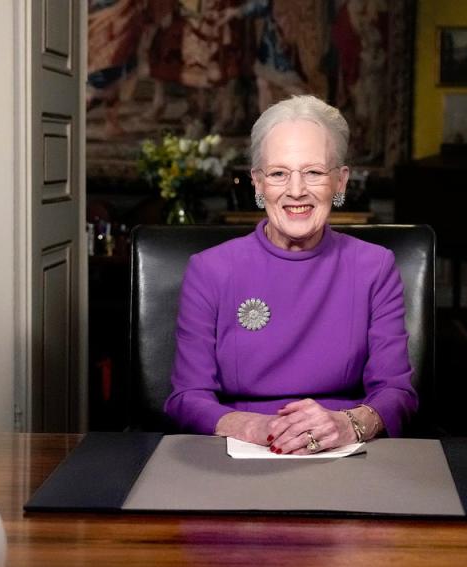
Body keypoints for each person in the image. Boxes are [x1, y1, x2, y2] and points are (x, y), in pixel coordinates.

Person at [164, 95, 417, 454]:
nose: (296, 191)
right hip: (239, 453)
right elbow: (186, 397)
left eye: (313, 172)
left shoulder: (375, 266)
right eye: (279, 173)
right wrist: (258, 428)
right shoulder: (210, 269)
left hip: (343, 454)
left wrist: (348, 424)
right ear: (257, 183)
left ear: (340, 182)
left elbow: (397, 393)